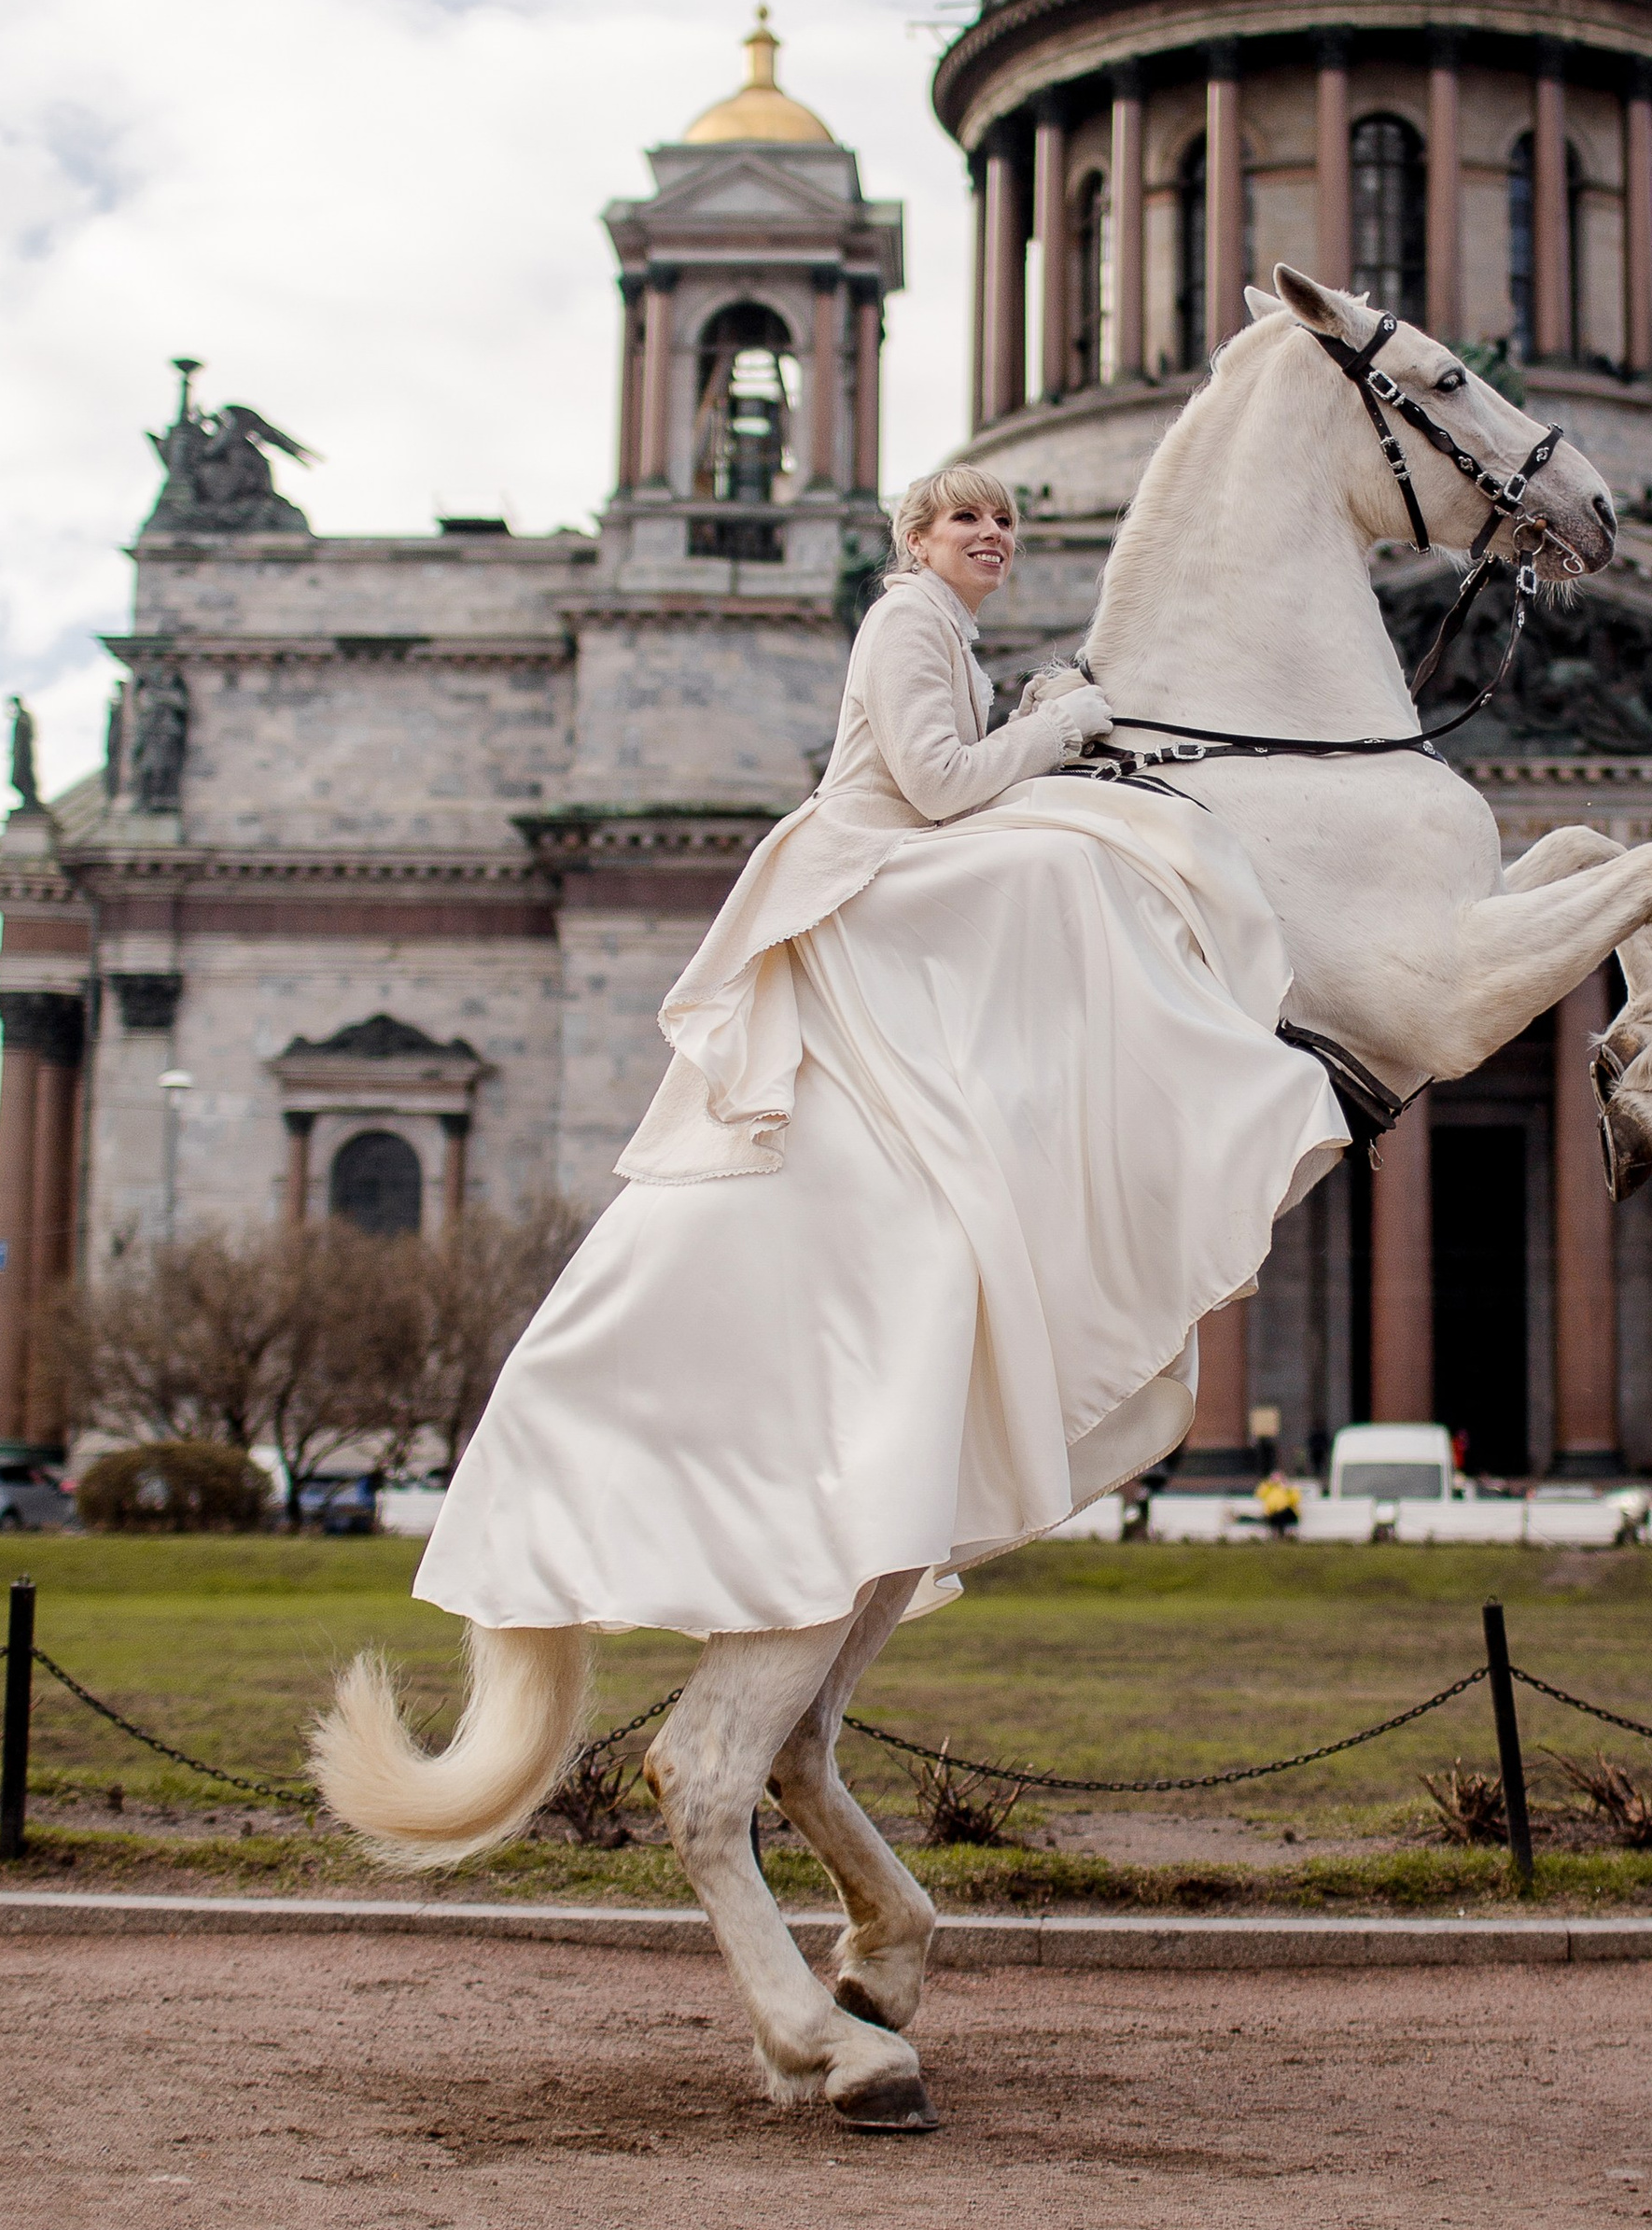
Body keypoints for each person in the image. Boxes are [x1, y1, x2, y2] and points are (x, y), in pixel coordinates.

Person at [413, 465, 1347, 1641]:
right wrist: (1056, 731)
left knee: (1070, 855)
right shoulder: (907, 620)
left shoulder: (945, 630)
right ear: (915, 539)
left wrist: (1033, 718)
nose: (991, 534)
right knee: (1072, 863)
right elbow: (939, 787)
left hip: (906, 859)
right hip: (868, 869)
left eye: (1003, 520)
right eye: (966, 519)